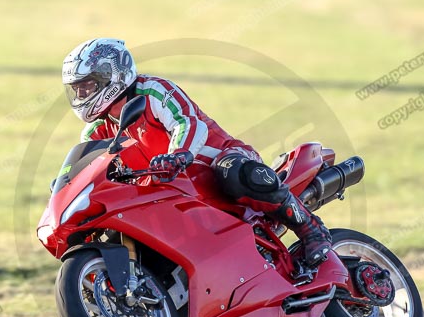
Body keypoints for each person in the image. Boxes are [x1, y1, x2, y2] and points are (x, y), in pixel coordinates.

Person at [62, 38, 332, 266]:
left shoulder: (153, 91)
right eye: (77, 88)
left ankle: (309, 228)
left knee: (234, 172)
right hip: (171, 190)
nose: (81, 93)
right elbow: (91, 166)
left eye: (87, 85)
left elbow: (188, 124)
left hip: (215, 163)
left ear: (113, 75)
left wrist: (178, 155)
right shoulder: (96, 130)